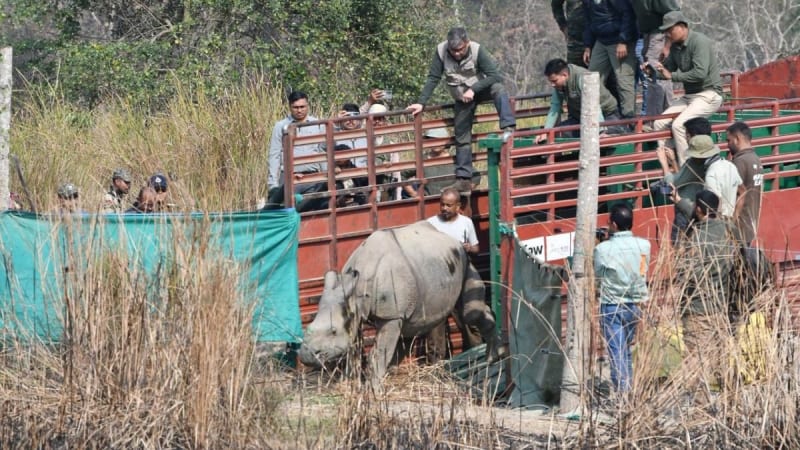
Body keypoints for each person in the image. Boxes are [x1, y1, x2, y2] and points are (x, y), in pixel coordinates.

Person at [407, 27, 516, 195]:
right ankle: (464, 180)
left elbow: (495, 75)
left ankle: (508, 127)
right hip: (461, 98)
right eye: (453, 50)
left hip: (478, 90)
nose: (456, 54)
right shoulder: (441, 51)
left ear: (467, 43)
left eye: (460, 50)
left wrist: (474, 89)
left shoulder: (477, 49)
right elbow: (433, 78)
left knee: (498, 88)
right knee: (462, 137)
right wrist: (421, 103)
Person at [678, 190, 738, 389]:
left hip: (697, 309)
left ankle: (699, 410)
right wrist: (679, 200)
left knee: (696, 362)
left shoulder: (696, 238)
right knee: (720, 358)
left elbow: (685, 274)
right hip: (720, 306)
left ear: (698, 209)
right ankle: (728, 404)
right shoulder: (729, 229)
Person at [650, 11, 723, 165]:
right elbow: (667, 70)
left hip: (708, 94)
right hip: (690, 96)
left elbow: (700, 74)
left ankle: (686, 168)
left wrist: (672, 76)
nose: (668, 34)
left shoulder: (699, 42)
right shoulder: (676, 47)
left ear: (682, 26)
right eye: (666, 31)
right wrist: (652, 71)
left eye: (670, 30)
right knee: (659, 123)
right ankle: (668, 162)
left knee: (679, 125)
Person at [594, 202, 650, 393]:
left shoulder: (603, 250)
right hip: (635, 304)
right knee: (625, 349)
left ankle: (623, 394)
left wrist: (600, 243)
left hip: (612, 305)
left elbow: (599, 275)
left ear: (614, 225)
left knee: (616, 351)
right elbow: (643, 270)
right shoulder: (645, 246)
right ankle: (629, 389)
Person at [536, 58, 623, 144]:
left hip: (606, 114)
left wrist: (600, 131)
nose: (552, 85)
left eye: (554, 81)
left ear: (564, 75)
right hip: (580, 118)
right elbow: (555, 107)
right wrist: (546, 132)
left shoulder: (582, 77)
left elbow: (594, 106)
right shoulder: (558, 86)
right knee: (557, 134)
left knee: (606, 136)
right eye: (551, 82)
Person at [267, 91, 327, 211]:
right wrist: (272, 184)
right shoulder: (281, 126)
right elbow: (274, 155)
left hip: (312, 177)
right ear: (289, 107)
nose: (299, 110)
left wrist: (326, 177)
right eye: (295, 107)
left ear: (308, 106)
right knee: (287, 208)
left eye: (302, 107)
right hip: (290, 178)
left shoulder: (318, 124)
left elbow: (322, 151)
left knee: (317, 206)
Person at [582, 0, 639, 120]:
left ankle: (629, 118)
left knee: (624, 80)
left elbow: (627, 14)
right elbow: (588, 21)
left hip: (618, 40)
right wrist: (588, 46)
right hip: (601, 40)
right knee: (591, 79)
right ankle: (600, 113)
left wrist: (623, 40)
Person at [656, 135, 710, 243]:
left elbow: (671, 184)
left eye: (688, 136)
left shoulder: (695, 163)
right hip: (693, 210)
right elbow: (682, 180)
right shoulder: (707, 163)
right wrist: (674, 162)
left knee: (679, 246)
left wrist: (664, 163)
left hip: (686, 209)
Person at [631, 0, 679, 111]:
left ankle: (654, 119)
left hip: (660, 35)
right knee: (656, 76)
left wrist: (667, 45)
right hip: (646, 35)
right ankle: (667, 114)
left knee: (655, 76)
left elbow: (675, 15)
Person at [726, 121, 763, 246]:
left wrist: (730, 224)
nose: (727, 145)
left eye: (729, 140)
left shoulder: (740, 162)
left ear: (737, 139)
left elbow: (736, 194)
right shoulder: (756, 158)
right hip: (750, 223)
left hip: (739, 225)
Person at [402, 128, 456, 198]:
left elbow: (473, 178)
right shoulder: (422, 160)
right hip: (428, 204)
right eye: (432, 140)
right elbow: (403, 176)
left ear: (446, 142)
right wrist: (413, 193)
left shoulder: (454, 160)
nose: (436, 143)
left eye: (439, 140)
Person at [427, 188, 479, 255]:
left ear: (458, 206)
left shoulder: (466, 222)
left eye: (449, 205)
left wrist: (469, 248)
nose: (444, 208)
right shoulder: (431, 223)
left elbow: (476, 249)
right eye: (442, 205)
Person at [551, 0, 587, 67]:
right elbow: (556, 5)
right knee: (574, 72)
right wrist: (563, 26)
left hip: (599, 40)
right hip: (576, 40)